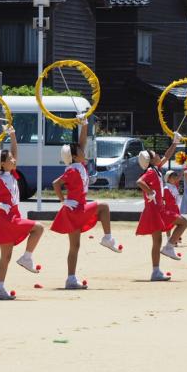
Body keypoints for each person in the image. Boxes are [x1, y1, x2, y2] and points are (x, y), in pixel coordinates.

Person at [50, 115, 121, 290]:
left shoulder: (78, 165)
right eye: (80, 151)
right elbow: (56, 184)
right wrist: (63, 201)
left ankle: (71, 279)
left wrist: (84, 124)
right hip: (75, 209)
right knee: (103, 207)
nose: (84, 151)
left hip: (77, 208)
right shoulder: (72, 170)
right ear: (74, 156)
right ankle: (107, 238)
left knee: (75, 246)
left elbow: (82, 142)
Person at [0, 127, 44, 300]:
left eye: (12, 159)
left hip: (12, 217)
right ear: (2, 164)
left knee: (6, 256)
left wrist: (13, 134)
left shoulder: (12, 173)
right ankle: (26, 258)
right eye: (9, 159)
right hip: (6, 219)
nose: (13, 160)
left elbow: (15, 152)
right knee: (38, 228)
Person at [135, 135, 187, 281]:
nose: (159, 155)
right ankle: (167, 251)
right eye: (155, 154)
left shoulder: (156, 169)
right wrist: (149, 191)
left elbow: (167, 156)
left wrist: (175, 142)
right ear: (151, 160)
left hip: (158, 209)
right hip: (155, 210)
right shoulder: (151, 171)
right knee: (182, 223)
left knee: (157, 241)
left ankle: (157, 270)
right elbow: (139, 182)